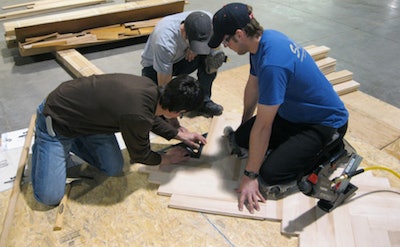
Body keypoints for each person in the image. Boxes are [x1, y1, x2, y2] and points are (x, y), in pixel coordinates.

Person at [209, 3, 349, 213]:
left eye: (225, 39)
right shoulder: (262, 42)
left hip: (323, 124)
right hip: (292, 114)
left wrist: (250, 176)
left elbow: (264, 125)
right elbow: (253, 86)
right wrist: (245, 123)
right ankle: (288, 147)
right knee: (241, 139)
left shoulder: (273, 64)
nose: (225, 45)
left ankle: (333, 149)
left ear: (239, 34)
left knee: (270, 176)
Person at [31, 73, 207, 206]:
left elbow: (149, 118)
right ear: (178, 111)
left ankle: (73, 142)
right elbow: (141, 155)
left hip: (89, 120)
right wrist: (168, 158)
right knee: (50, 197)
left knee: (113, 167)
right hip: (57, 118)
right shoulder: (137, 114)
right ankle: (45, 142)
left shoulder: (150, 88)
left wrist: (178, 134)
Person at [141, 10, 224, 118]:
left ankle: (203, 102)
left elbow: (215, 43)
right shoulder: (165, 41)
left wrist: (194, 48)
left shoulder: (207, 20)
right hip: (154, 67)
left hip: (183, 57)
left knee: (211, 60)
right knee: (155, 101)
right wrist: (170, 110)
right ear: (184, 32)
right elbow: (164, 84)